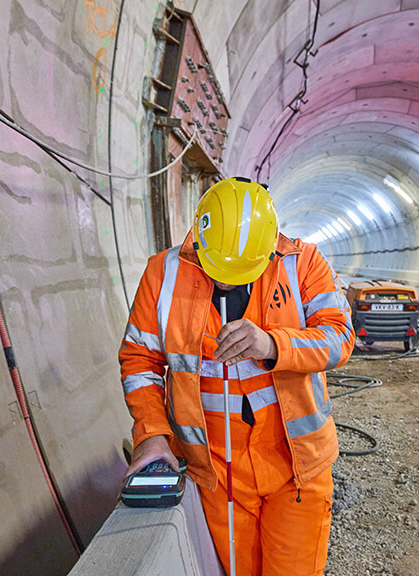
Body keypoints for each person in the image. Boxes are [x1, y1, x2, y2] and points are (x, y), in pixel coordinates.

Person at [118, 177, 354, 575]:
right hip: (215, 471)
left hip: (297, 468)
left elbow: (340, 338)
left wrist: (273, 345)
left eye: (239, 272)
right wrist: (151, 433)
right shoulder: (163, 274)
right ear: (200, 234)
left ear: (271, 245)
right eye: (220, 269)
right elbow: (140, 359)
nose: (226, 282)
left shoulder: (303, 263)